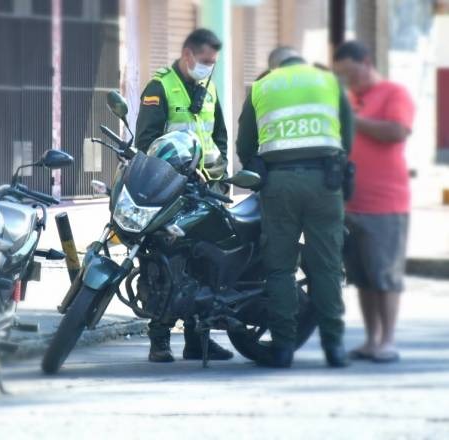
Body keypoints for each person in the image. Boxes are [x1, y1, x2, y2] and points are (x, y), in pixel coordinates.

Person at [236, 46, 354, 368]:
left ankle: (283, 348)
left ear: (274, 65)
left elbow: (245, 145)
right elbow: (347, 135)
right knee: (327, 266)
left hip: (279, 184)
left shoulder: (262, 86)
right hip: (325, 182)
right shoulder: (329, 81)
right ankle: (334, 348)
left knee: (280, 268)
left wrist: (257, 168)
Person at [134, 28, 233, 363]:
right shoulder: (160, 87)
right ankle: (159, 340)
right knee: (167, 263)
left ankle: (198, 340)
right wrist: (176, 175)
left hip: (207, 191)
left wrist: (220, 177)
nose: (209, 67)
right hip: (172, 190)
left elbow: (219, 136)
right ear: (188, 55)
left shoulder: (210, 88)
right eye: (205, 60)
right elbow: (146, 142)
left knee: (204, 265)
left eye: (213, 62)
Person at [333, 41, 415, 363]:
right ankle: (371, 340)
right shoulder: (351, 97)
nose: (348, 80)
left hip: (385, 203)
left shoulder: (394, 93)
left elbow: (397, 131)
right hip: (352, 202)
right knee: (363, 277)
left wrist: (354, 120)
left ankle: (388, 341)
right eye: (342, 75)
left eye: (351, 73)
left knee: (385, 276)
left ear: (366, 62)